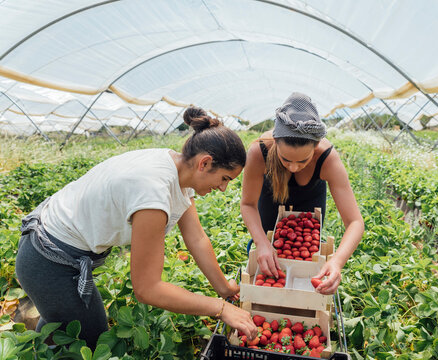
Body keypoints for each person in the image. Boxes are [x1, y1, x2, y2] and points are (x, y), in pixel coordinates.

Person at [15, 107, 258, 349]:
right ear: (205, 163)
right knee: (92, 340)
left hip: (55, 244)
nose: (224, 188)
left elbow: (196, 238)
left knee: (61, 325)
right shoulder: (153, 192)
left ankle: (42, 345)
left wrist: (224, 289)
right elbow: (147, 289)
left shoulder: (179, 169)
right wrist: (220, 308)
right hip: (47, 259)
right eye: (225, 178)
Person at [241, 92, 364, 295]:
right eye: (286, 159)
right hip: (269, 218)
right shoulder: (259, 152)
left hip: (308, 223)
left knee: (304, 279)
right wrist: (262, 243)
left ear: (316, 146)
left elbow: (355, 222)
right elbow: (247, 204)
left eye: (303, 161)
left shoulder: (327, 159)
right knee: (269, 273)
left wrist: (337, 262)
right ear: (276, 142)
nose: (294, 167)